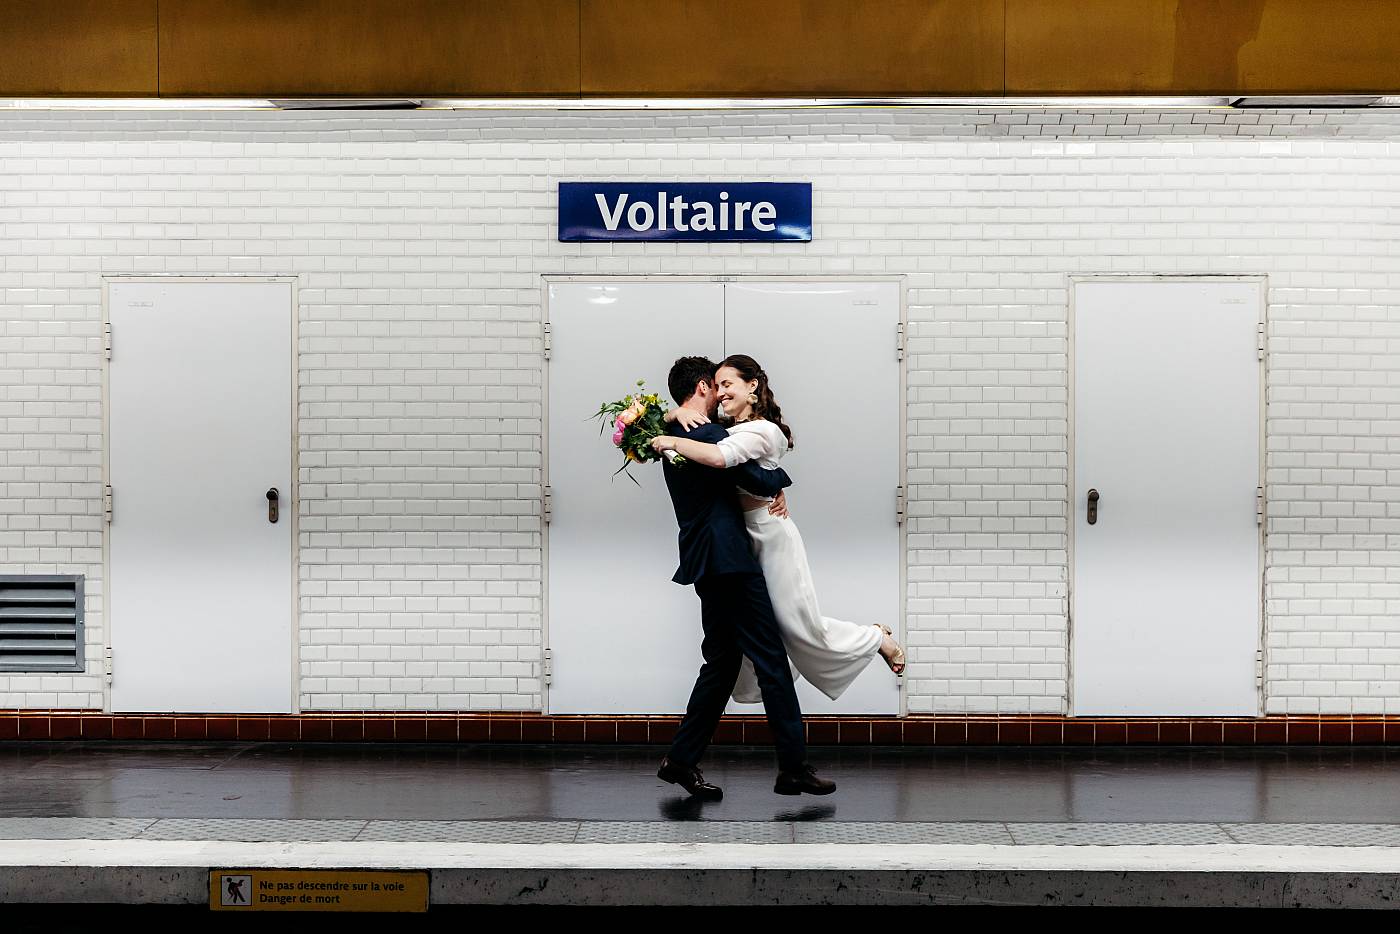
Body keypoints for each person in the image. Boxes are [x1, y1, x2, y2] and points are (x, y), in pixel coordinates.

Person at [651, 354, 906, 707]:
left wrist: (672, 440)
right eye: (718, 386)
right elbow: (724, 454)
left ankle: (875, 638)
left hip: (770, 533)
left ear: (752, 386)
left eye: (728, 385)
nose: (722, 394)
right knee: (766, 628)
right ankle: (765, 689)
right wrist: (674, 414)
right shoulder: (720, 427)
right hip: (743, 538)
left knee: (798, 624)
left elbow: (724, 459)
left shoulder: (761, 430)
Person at [654, 356, 836, 799]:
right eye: (716, 385)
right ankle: (793, 768)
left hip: (703, 557)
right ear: (702, 386)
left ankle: (680, 760)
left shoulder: (679, 425)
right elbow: (752, 473)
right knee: (771, 661)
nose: (721, 393)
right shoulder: (702, 431)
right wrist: (779, 484)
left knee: (721, 664)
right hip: (729, 558)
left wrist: (670, 414)